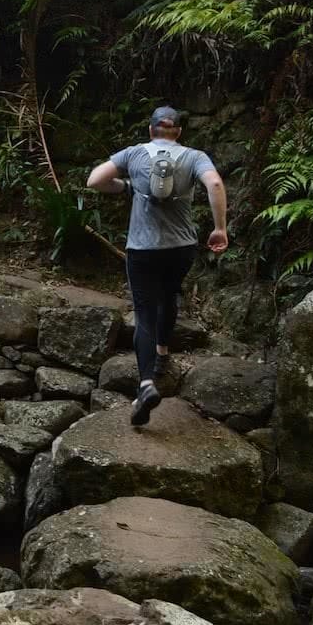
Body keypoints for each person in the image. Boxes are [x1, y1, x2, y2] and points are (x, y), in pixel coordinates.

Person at [86, 105, 228, 426]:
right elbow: (215, 185)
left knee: (145, 312)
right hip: (181, 249)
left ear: (151, 130)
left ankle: (146, 382)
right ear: (178, 132)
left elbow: (94, 180)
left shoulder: (134, 154)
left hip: (143, 249)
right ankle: (163, 352)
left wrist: (125, 186)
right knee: (169, 296)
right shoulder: (194, 157)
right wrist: (219, 228)